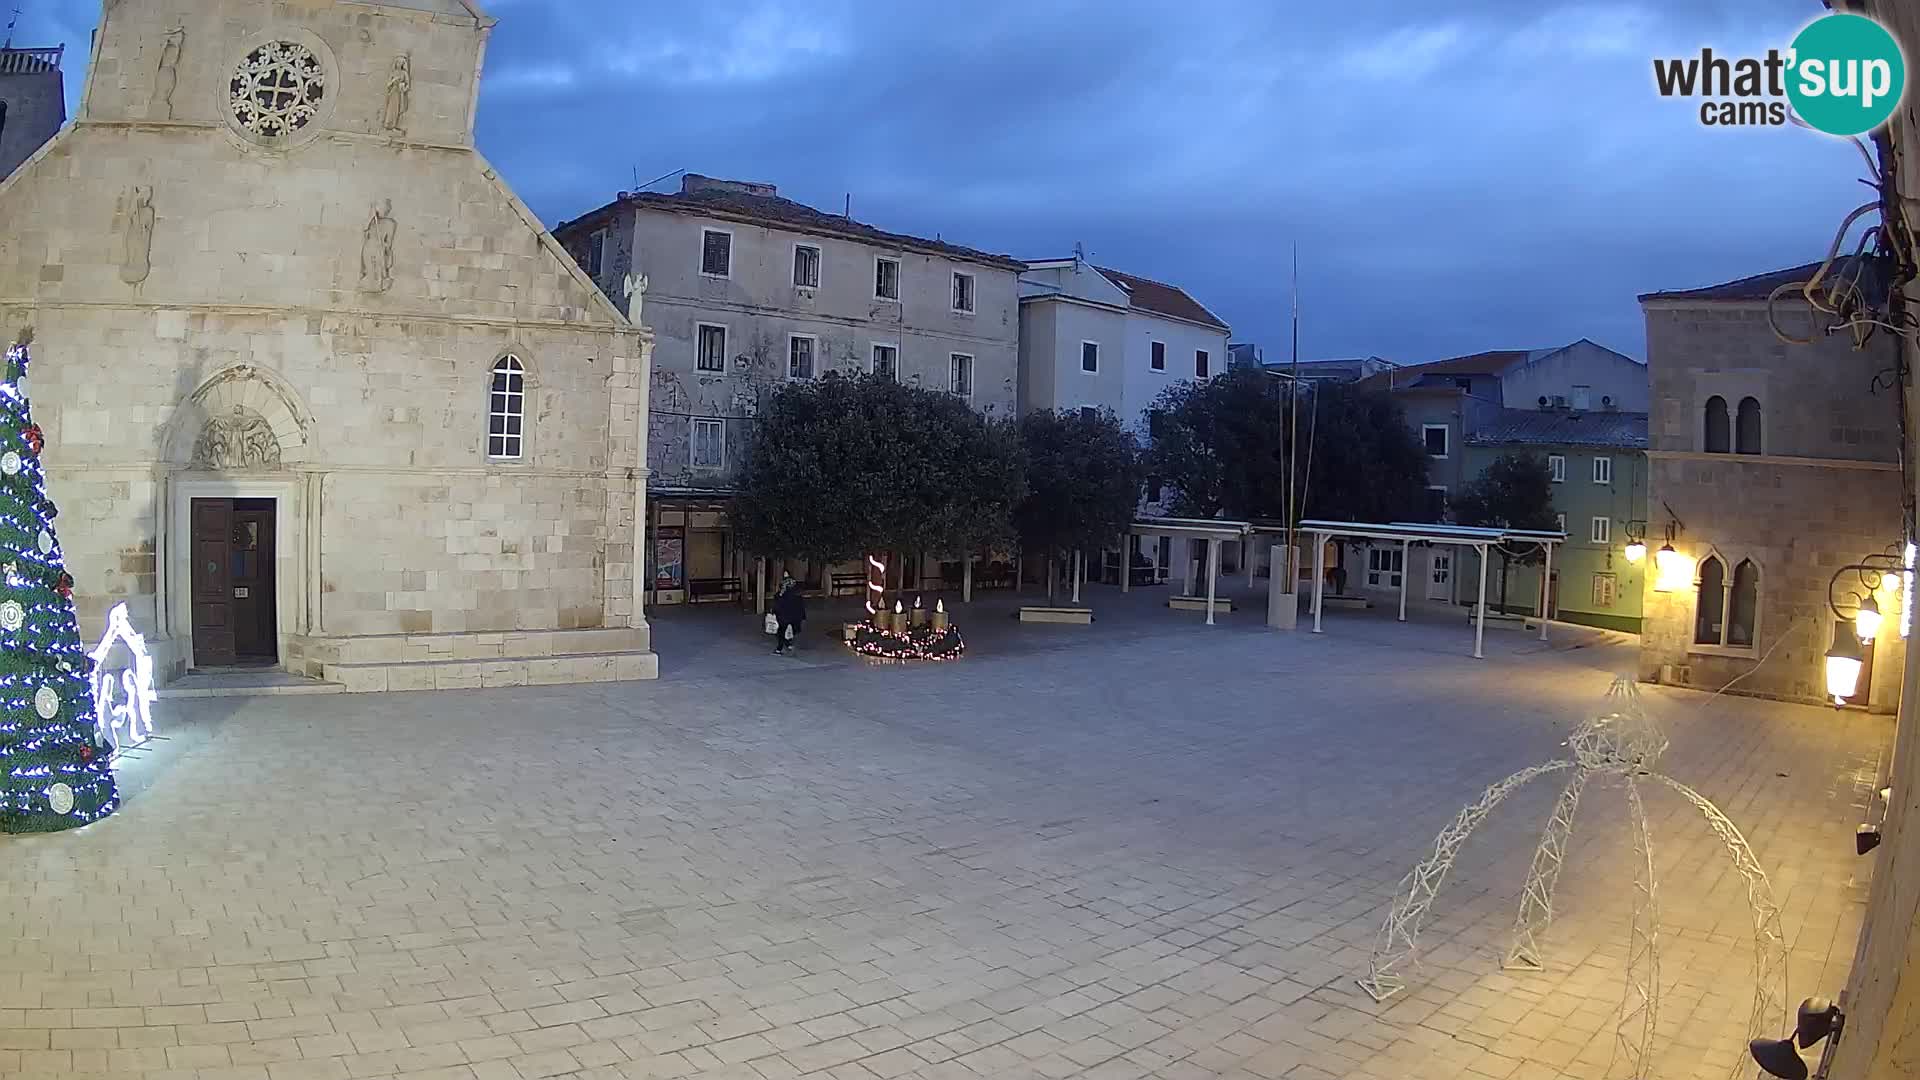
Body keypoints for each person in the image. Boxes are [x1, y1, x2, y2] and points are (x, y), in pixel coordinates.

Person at [772, 573, 806, 654]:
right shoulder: (797, 595)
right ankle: (787, 644)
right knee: (791, 632)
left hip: (784, 617)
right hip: (795, 618)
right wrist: (802, 617)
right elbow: (801, 607)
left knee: (781, 632)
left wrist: (773, 612)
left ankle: (780, 648)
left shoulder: (780, 595)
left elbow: (777, 606)